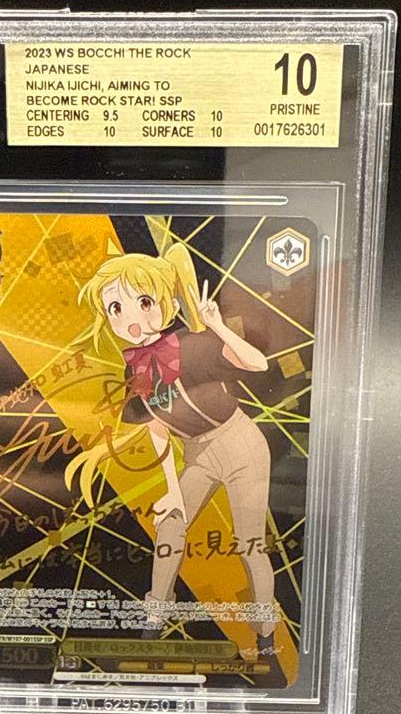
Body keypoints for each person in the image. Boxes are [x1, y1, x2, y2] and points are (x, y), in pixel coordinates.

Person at [65, 241, 279, 659]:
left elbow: (258, 363)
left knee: (250, 543)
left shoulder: (192, 343)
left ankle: (266, 635)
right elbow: (157, 426)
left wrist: (216, 325)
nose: (131, 318)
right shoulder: (135, 367)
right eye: (116, 308)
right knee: (170, 525)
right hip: (196, 454)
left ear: (164, 300)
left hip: (241, 445)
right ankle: (154, 619)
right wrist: (172, 489)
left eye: (143, 302)